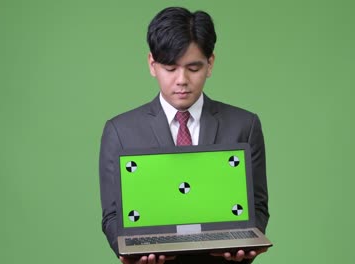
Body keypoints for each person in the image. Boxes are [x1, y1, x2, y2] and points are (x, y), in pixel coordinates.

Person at [99, 7, 269, 264]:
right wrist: (129, 252)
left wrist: (243, 247)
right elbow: (112, 216)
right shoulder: (120, 131)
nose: (182, 80)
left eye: (193, 68)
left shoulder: (245, 125)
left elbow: (257, 207)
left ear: (210, 64)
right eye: (170, 68)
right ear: (152, 65)